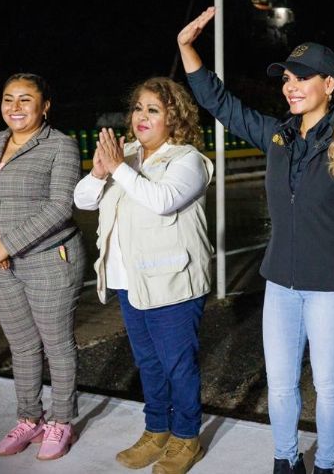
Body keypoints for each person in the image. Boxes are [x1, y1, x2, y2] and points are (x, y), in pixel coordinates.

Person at [177, 7, 334, 474]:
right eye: (287, 77)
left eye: (302, 78)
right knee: (282, 382)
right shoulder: (277, 136)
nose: (290, 85)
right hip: (280, 286)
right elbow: (221, 103)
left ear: (329, 85)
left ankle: (326, 465)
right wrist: (187, 50)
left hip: (333, 287)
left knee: (329, 385)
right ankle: (285, 460)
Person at [73, 77, 213, 474]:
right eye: (138, 108)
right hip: (128, 282)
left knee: (177, 364)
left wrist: (119, 168)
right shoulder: (127, 155)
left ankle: (187, 438)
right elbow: (82, 200)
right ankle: (156, 430)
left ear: (175, 116)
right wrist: (102, 171)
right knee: (148, 363)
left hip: (172, 284)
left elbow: (163, 201)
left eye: (154, 109)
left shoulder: (187, 160)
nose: (142, 117)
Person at [0, 72, 87, 460]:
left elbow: (61, 206)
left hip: (50, 260)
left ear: (45, 106)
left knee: (57, 345)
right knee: (22, 346)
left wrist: (6, 244)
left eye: (25, 99)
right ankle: (29, 419)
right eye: (8, 99)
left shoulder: (60, 146)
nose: (15, 107)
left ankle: (61, 421)